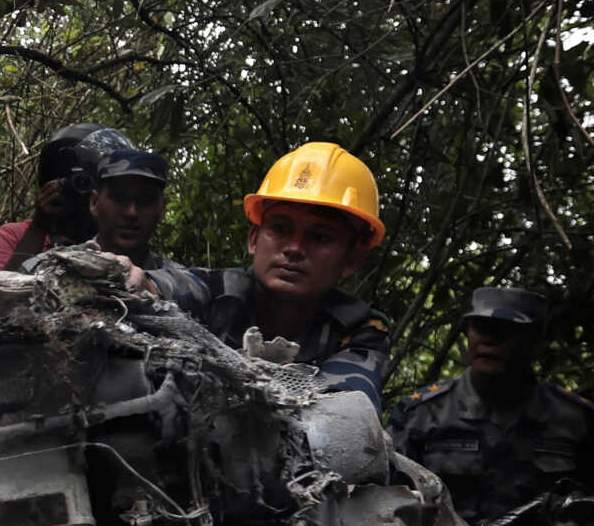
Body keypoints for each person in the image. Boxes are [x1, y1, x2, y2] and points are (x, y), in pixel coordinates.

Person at [121, 141, 394, 409]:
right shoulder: (218, 290)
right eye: (280, 228)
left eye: (320, 236)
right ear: (254, 239)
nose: (294, 248)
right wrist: (137, 281)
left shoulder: (359, 328)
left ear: (352, 259)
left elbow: (343, 410)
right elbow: (168, 286)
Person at [388, 287, 594, 524]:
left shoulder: (574, 418)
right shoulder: (421, 414)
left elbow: (591, 513)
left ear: (538, 345)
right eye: (480, 329)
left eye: (505, 331)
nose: (488, 340)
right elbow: (389, 507)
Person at [0, 122, 136, 274]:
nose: (84, 194)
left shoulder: (116, 236)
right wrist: (39, 225)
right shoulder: (14, 234)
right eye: (77, 182)